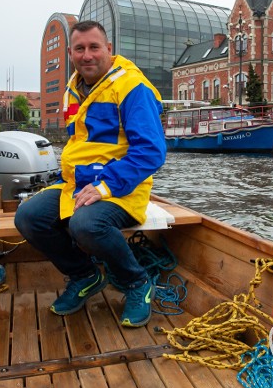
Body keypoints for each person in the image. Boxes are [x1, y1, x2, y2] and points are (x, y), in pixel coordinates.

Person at [14, 20, 167, 328]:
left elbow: (151, 151)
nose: (87, 55)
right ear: (71, 53)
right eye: (80, 49)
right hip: (76, 183)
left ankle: (137, 283)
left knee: (86, 224)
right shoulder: (74, 87)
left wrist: (106, 186)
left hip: (122, 188)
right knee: (28, 217)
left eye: (94, 47)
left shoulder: (131, 87)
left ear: (109, 49)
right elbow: (80, 142)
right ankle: (85, 275)